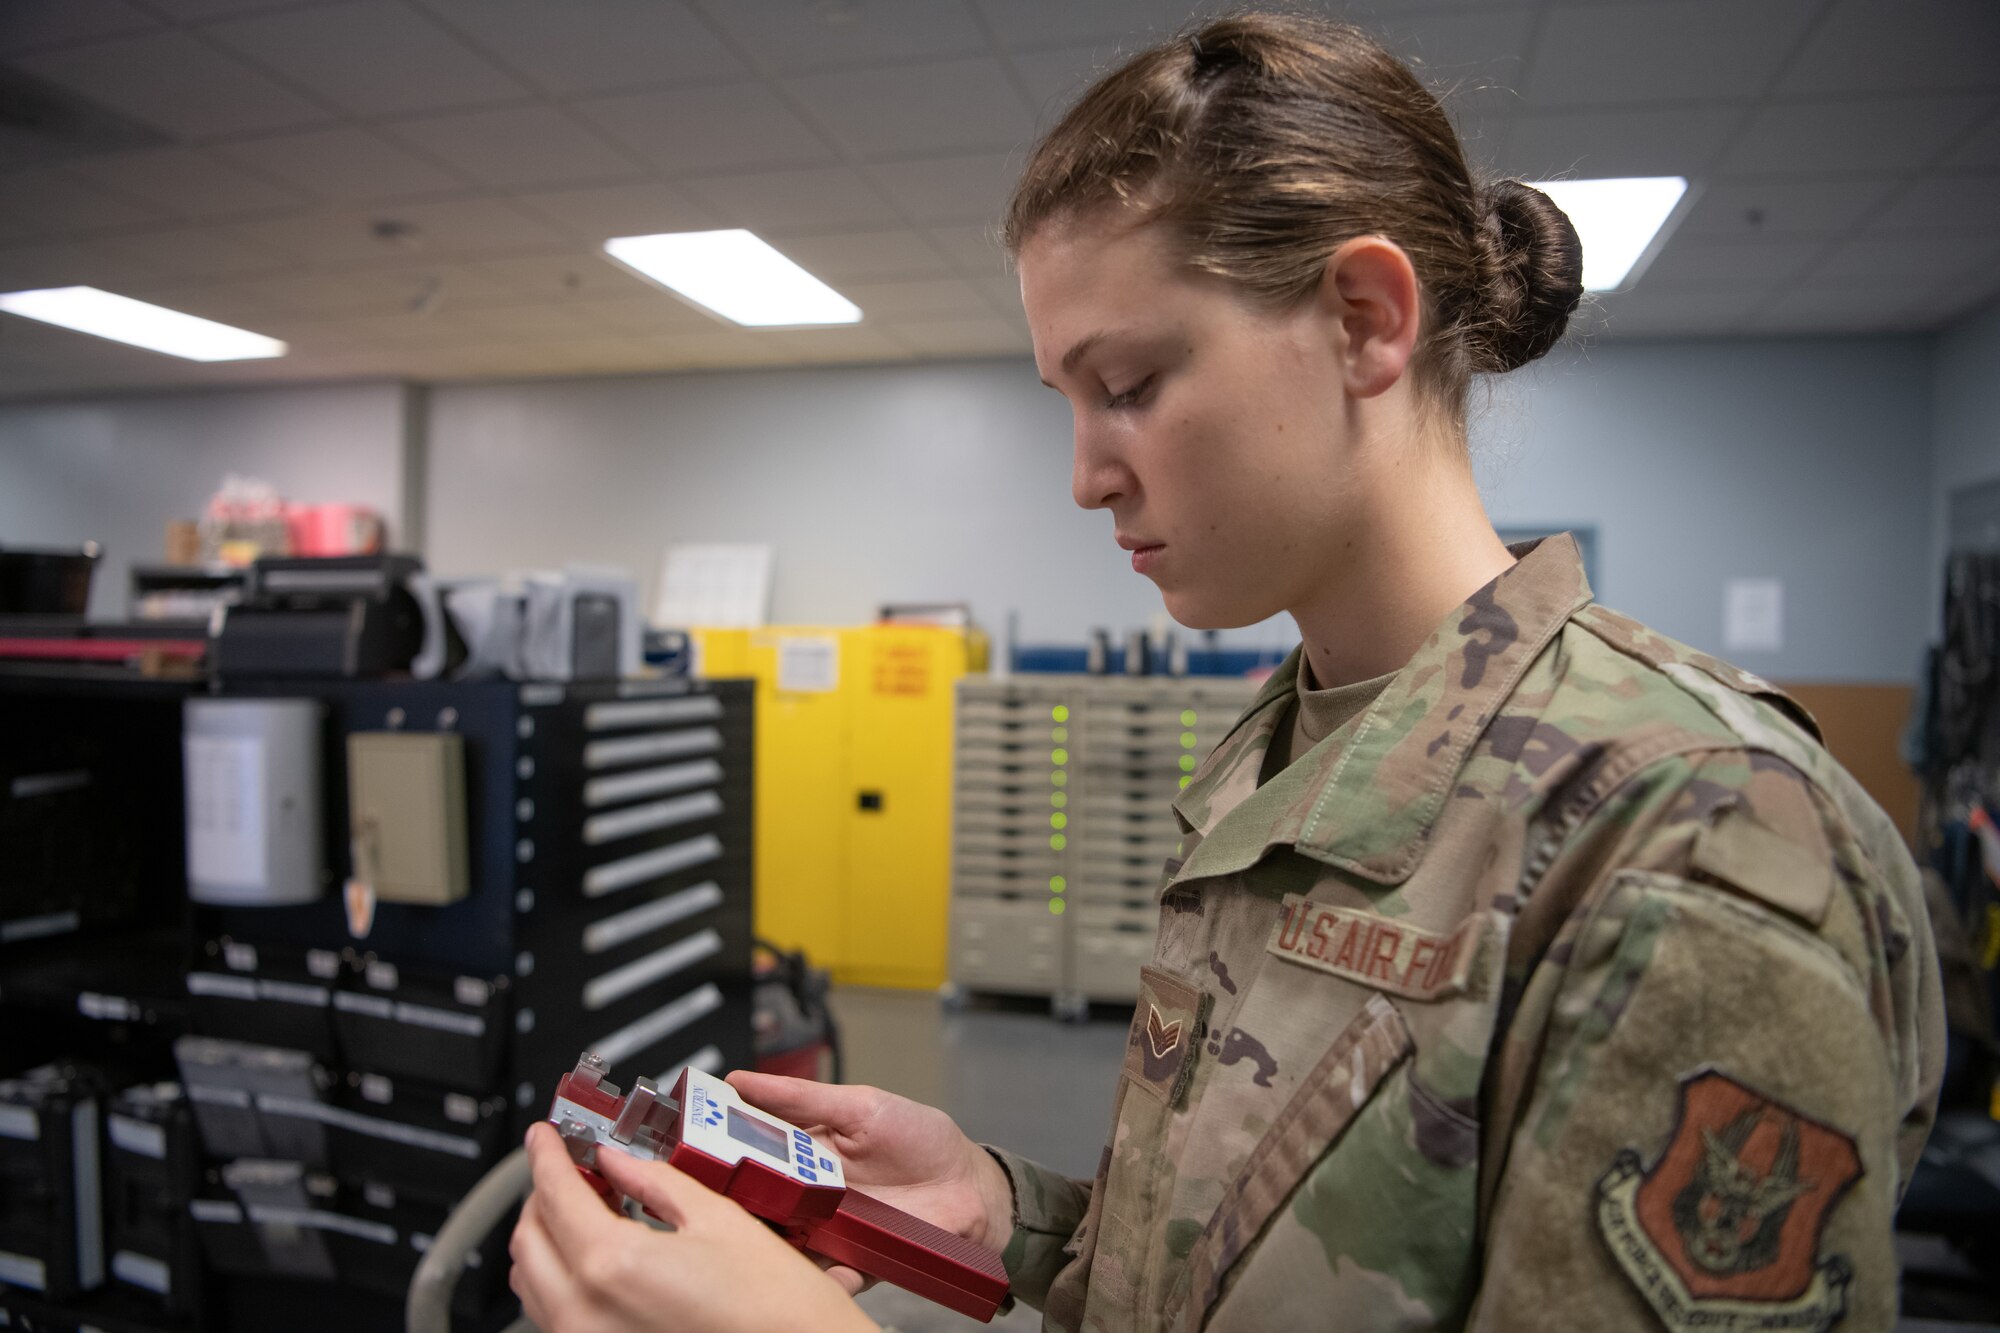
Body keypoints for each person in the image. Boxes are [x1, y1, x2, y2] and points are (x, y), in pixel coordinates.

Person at [508, 14, 1945, 1332]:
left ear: (1367, 321)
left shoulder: (1691, 844)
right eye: (1067, 401)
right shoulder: (1281, 757)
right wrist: (1005, 1213)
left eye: (1128, 385)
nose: (1084, 477)